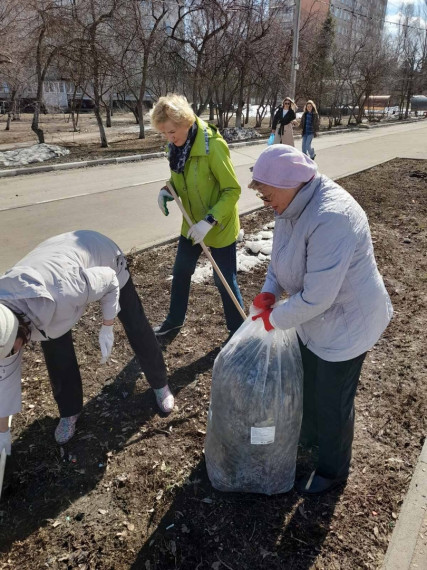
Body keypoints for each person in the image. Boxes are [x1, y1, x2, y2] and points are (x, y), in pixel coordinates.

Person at [249, 145, 393, 495]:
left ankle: (332, 471)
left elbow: (318, 297)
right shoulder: (288, 205)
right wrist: (270, 291)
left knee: (334, 400)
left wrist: (272, 320)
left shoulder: (332, 217)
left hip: (348, 323)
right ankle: (310, 438)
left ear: (292, 182)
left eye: (267, 192)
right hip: (313, 319)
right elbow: (279, 259)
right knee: (309, 381)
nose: (264, 198)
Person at [0, 230, 174, 453]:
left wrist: (107, 326)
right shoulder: (5, 318)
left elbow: (110, 280)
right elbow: (4, 375)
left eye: (11, 350)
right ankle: (69, 411)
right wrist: (3, 431)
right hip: (54, 265)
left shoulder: (64, 290)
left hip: (103, 258)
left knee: (135, 322)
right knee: (56, 352)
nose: (11, 356)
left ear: (19, 330)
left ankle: (160, 384)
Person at [150, 93, 244, 338]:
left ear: (185, 122)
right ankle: (174, 321)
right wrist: (166, 190)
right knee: (181, 272)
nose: (169, 138)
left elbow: (232, 190)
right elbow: (181, 180)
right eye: (164, 134)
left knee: (223, 280)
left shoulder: (212, 145)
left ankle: (239, 333)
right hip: (191, 224)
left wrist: (209, 221)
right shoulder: (177, 148)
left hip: (219, 225)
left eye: (172, 132)